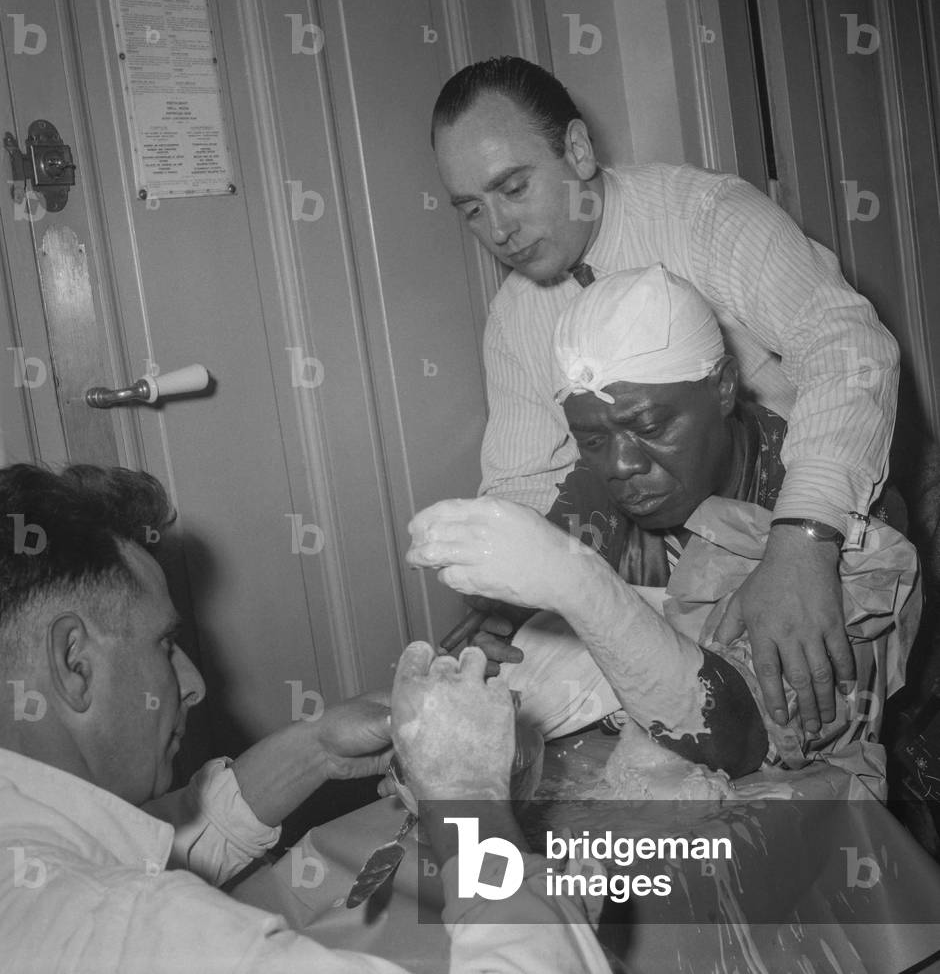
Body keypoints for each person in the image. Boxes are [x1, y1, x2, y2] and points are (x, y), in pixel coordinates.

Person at [431, 55, 901, 738]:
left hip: (838, 505)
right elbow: (524, 480)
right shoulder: (514, 318)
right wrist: (506, 595)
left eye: (513, 187)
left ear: (578, 150)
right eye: (472, 208)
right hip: (691, 550)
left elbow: (850, 349)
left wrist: (804, 538)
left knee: (868, 737)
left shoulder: (708, 218)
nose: (498, 230)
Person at [0, 463, 610, 974]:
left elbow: (140, 843)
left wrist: (320, 747)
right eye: (163, 644)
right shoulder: (133, 934)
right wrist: (472, 804)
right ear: (73, 660)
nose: (193, 684)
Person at [406, 266, 919, 794]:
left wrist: (577, 584)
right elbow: (513, 670)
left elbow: (741, 741)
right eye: (592, 440)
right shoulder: (591, 501)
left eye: (649, 427)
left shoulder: (835, 531)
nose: (621, 465)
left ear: (723, 387)